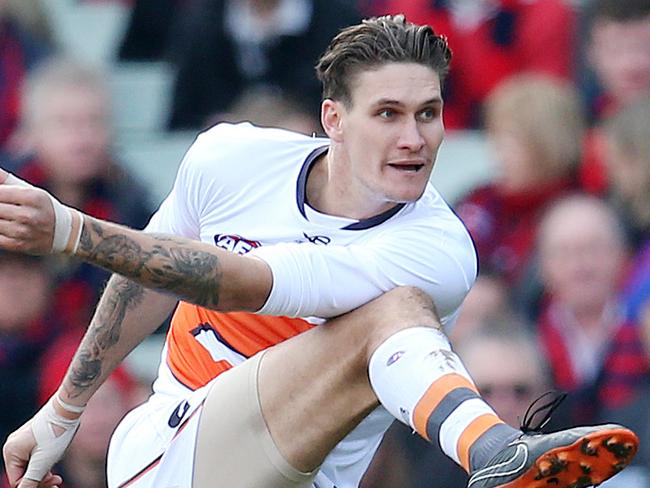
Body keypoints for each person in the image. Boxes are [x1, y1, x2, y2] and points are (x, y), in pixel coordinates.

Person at [0, 16, 638, 488]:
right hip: (173, 452)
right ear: (333, 119)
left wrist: (71, 232)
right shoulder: (231, 159)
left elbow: (242, 282)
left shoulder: (439, 247)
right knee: (394, 311)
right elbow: (154, 280)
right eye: (387, 113)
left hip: (298, 475)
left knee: (397, 307)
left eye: (429, 113)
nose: (414, 138)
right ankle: (496, 451)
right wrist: (61, 413)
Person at [536, 194, 649, 424]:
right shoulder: (528, 335)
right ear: (543, 265)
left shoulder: (642, 330)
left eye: (593, 249)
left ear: (622, 255)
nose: (580, 265)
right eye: (564, 252)